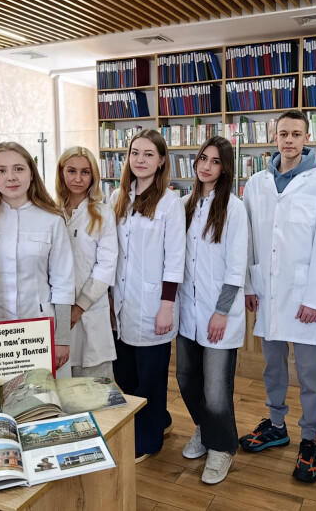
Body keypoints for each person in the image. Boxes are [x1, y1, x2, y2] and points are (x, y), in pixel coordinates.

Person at [240, 109, 316, 484]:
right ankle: (277, 425)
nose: (289, 140)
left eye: (296, 134)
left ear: (306, 138)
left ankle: (309, 438)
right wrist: (249, 285)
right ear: (274, 136)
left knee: (310, 373)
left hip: (305, 297)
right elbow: (248, 239)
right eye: (283, 133)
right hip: (267, 293)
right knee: (273, 366)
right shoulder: (256, 183)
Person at [0, 142, 75, 374]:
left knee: (40, 393)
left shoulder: (52, 221)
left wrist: (62, 338)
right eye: (1, 170)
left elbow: (63, 284)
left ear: (31, 173)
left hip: (38, 330)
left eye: (18, 168)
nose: (11, 177)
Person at [176, 136, 248, 484]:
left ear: (225, 168)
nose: (206, 166)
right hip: (186, 312)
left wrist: (221, 312)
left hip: (219, 313)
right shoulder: (184, 205)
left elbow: (236, 267)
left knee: (216, 391)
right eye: (203, 158)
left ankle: (222, 449)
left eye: (215, 161)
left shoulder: (234, 208)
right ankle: (206, 430)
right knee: (186, 379)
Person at [110, 129, 185, 463]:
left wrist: (167, 305)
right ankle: (160, 421)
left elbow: (175, 259)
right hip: (121, 302)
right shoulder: (118, 197)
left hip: (155, 304)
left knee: (150, 380)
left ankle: (147, 441)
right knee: (125, 375)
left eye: (148, 154)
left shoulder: (170, 203)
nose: (140, 160)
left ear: (162, 160)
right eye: (135, 153)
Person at [55, 146, 118, 379]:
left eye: (85, 172)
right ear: (61, 173)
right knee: (59, 387)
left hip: (91, 310)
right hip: (56, 311)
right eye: (71, 171)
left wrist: (80, 306)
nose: (78, 178)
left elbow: (106, 265)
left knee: (96, 387)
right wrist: (65, 313)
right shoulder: (50, 213)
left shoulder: (103, 214)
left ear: (93, 176)